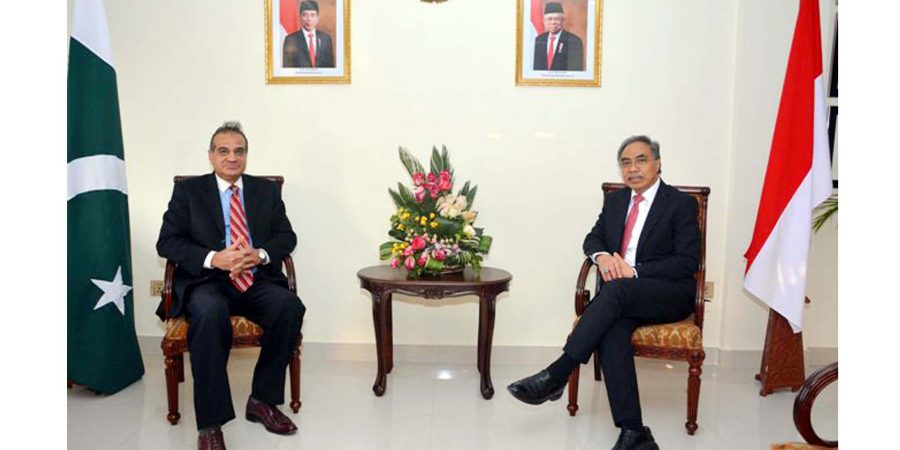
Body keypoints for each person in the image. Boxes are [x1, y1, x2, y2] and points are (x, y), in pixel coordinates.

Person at [507, 135, 700, 450]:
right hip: (623, 299)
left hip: (667, 293)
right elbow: (592, 238)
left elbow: (687, 261)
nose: (633, 168)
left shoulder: (679, 204)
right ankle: (634, 432)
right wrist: (603, 257)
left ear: (657, 164)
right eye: (626, 162)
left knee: (617, 290)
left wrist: (635, 271)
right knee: (612, 331)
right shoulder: (616, 201)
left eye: (641, 160)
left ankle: (558, 373)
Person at [156, 121, 306, 450]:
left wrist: (260, 254)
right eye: (223, 151)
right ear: (211, 156)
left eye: (239, 151)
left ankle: (262, 401)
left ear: (247, 155)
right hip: (207, 281)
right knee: (209, 312)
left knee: (289, 307)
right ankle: (210, 425)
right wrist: (213, 258)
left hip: (254, 278)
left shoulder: (265, 191)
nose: (232, 158)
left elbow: (287, 237)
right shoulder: (189, 192)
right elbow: (167, 242)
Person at [532, 2, 584, 71]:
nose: (553, 22)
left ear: (562, 20)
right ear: (544, 21)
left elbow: (576, 70)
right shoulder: (539, 40)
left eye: (556, 19)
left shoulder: (574, 41)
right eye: (549, 19)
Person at [283, 0, 335, 68]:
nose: (309, 19)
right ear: (300, 17)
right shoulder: (291, 39)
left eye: (312, 15)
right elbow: (287, 69)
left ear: (317, 18)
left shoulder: (326, 39)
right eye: (305, 15)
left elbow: (330, 67)